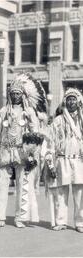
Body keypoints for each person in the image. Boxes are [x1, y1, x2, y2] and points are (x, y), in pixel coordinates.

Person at [0, 73, 47, 228]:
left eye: (18, 93)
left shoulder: (28, 113)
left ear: (23, 95)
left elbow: (35, 134)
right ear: (9, 95)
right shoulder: (2, 112)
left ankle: (19, 218)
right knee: (1, 185)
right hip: (5, 151)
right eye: (13, 93)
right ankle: (0, 218)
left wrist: (32, 153)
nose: (15, 96)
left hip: (22, 152)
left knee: (22, 185)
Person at [43, 88, 83, 233]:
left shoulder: (82, 119)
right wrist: (50, 162)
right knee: (61, 193)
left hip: (79, 160)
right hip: (62, 159)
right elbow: (50, 143)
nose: (71, 101)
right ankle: (61, 221)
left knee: (80, 194)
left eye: (74, 99)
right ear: (65, 102)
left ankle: (80, 222)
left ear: (78, 101)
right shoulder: (58, 120)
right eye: (69, 99)